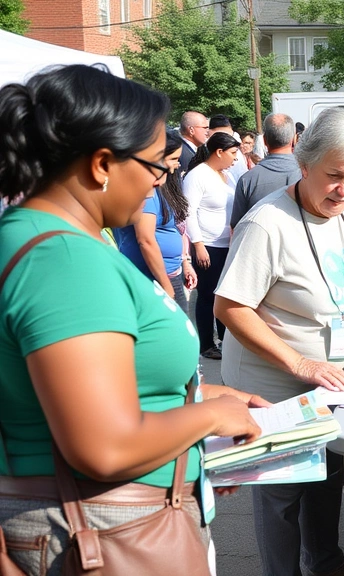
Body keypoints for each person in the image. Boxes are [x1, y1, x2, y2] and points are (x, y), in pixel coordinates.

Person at [0, 64, 266, 576]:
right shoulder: (65, 260)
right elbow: (105, 446)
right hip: (101, 532)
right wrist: (210, 418)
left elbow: (70, 389)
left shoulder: (42, 238)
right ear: (102, 163)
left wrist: (199, 402)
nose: (157, 184)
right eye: (153, 168)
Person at [214, 108, 344, 576]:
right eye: (334, 176)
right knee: (282, 499)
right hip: (275, 390)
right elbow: (230, 307)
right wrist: (298, 363)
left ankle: (325, 563)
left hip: (333, 385)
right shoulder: (267, 224)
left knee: (326, 480)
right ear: (304, 164)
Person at [114, 129, 197, 312]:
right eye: (174, 159)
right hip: (154, 276)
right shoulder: (148, 195)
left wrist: (184, 262)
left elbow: (173, 229)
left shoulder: (162, 188)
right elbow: (145, 240)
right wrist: (165, 284)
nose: (178, 165)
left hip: (169, 273)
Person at [184, 131, 239, 360]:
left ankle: (226, 340)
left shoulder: (228, 175)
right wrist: (198, 245)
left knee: (224, 295)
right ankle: (206, 344)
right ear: (219, 152)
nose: (236, 158)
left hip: (228, 244)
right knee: (207, 296)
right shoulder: (197, 176)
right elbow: (188, 213)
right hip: (207, 245)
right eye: (233, 153)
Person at [231, 113, 301, 228]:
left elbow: (237, 226)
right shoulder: (310, 174)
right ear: (293, 138)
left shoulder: (247, 180)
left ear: (264, 140)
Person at [178, 110, 209, 179]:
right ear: (191, 130)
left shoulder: (195, 150)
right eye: (205, 128)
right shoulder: (181, 152)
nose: (208, 132)